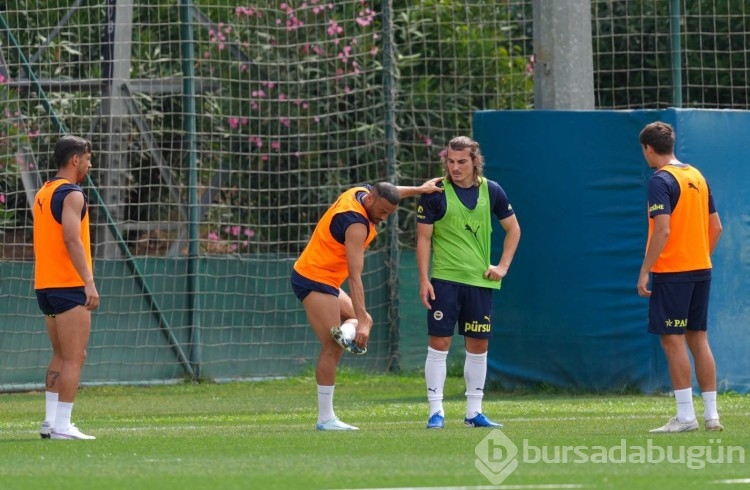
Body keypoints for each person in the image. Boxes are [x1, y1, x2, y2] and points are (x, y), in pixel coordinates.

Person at [291, 178, 443, 431]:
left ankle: (347, 333)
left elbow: (392, 192)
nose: (384, 217)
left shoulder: (362, 192)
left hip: (323, 277)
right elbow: (355, 275)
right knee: (332, 346)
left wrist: (419, 190)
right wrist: (361, 320)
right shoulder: (356, 225)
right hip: (314, 278)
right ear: (370, 200)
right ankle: (325, 419)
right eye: (382, 212)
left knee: (360, 322)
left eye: (389, 213)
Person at [416, 136, 521, 429]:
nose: (455, 167)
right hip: (444, 281)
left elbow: (514, 230)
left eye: (461, 161)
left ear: (475, 161)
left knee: (478, 346)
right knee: (438, 344)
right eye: (450, 161)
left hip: (480, 282)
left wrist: (502, 267)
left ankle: (474, 412)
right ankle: (435, 413)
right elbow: (423, 239)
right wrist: (424, 279)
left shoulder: (493, 191)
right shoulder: (435, 192)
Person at [637, 121, 724, 433]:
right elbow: (717, 228)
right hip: (701, 268)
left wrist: (645, 269)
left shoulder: (660, 180)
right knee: (698, 339)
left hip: (673, 272)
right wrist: (698, 255)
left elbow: (662, 229)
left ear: (648, 148)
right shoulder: (696, 175)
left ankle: (686, 417)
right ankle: (712, 415)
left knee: (673, 341)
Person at [33, 135, 99, 440]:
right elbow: (72, 239)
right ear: (75, 159)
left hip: (45, 286)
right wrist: (89, 281)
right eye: (87, 157)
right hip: (68, 283)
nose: (89, 163)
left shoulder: (43, 192)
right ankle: (62, 426)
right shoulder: (73, 194)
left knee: (60, 354)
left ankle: (49, 422)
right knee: (75, 356)